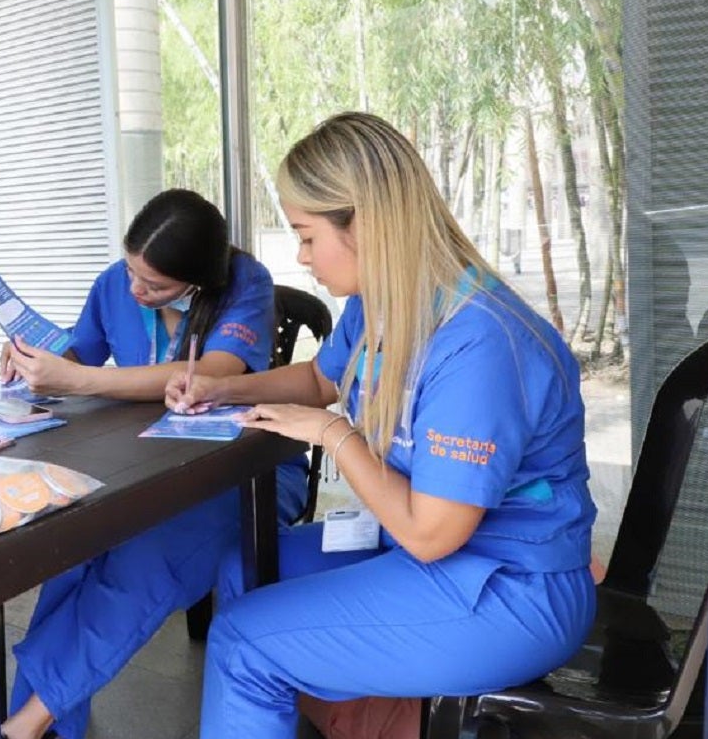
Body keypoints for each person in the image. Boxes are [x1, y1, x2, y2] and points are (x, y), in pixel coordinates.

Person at [164, 112, 598, 739]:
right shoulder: (385, 299)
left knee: (244, 644)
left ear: (364, 222)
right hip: (423, 550)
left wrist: (333, 434)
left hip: (506, 588)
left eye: (307, 236)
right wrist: (220, 385)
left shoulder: (476, 344)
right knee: (239, 569)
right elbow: (322, 380)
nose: (301, 256)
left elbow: (430, 534)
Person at [0, 189, 310, 739]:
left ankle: (27, 722)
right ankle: (50, 723)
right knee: (67, 553)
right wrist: (38, 359)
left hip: (240, 470)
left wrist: (80, 380)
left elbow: (209, 374)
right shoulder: (115, 283)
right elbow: (79, 357)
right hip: (141, 466)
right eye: (131, 272)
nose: (137, 290)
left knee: (145, 562)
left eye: (157, 285)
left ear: (200, 281)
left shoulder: (246, 283)